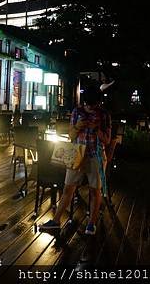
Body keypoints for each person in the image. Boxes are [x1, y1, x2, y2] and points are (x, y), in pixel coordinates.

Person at [39, 85, 111, 235]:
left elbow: (107, 140)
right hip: (76, 155)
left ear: (98, 102)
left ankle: (91, 223)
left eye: (93, 104)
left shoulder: (104, 115)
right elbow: (71, 136)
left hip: (95, 156)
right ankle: (56, 220)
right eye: (87, 104)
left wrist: (97, 129)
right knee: (68, 188)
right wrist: (78, 126)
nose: (89, 107)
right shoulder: (77, 112)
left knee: (94, 191)